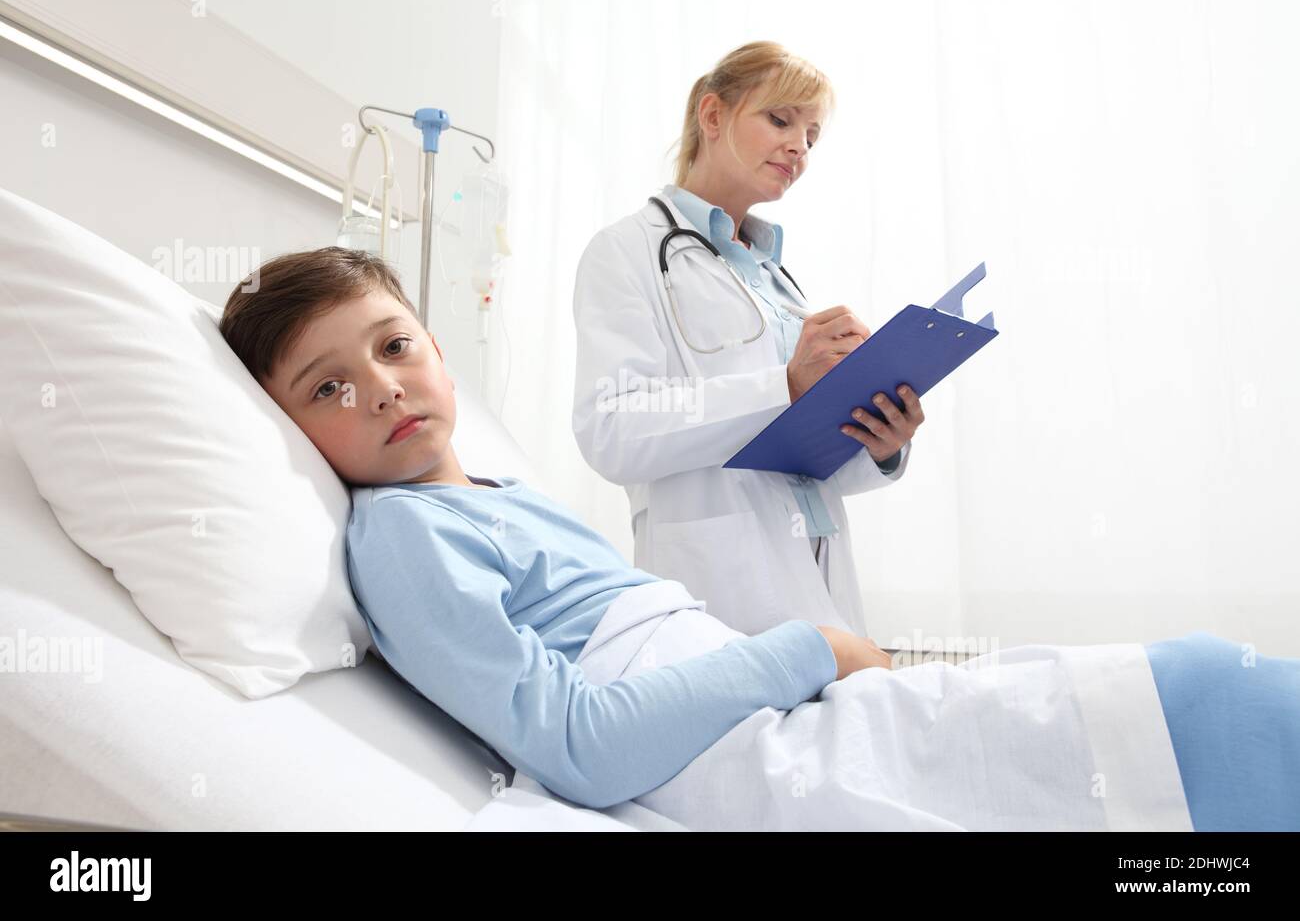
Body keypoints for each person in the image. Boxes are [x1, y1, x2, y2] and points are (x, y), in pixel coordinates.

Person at [219, 247, 1300, 830]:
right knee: (1190, 698)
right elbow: (579, 744)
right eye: (328, 387)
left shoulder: (495, 494)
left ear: (440, 351)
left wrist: (865, 436)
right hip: (739, 729)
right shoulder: (402, 533)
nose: (381, 388)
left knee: (1177, 691)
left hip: (755, 681)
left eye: (394, 346)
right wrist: (808, 648)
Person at [572, 41, 922, 638]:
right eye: (781, 120)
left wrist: (880, 441)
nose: (799, 146)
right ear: (713, 116)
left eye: (812, 135)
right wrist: (783, 385)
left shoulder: (772, 276)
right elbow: (610, 431)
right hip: (721, 590)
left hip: (821, 577)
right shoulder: (625, 252)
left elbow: (803, 460)